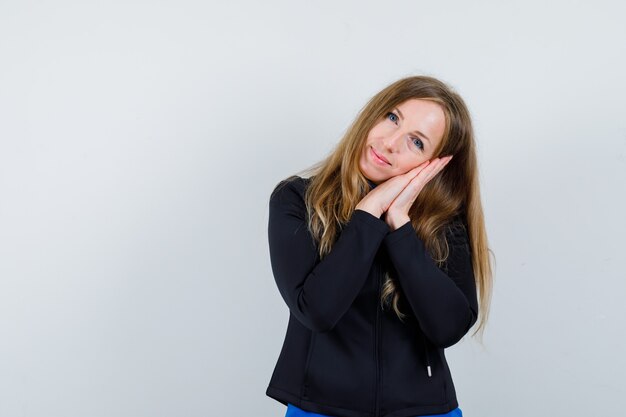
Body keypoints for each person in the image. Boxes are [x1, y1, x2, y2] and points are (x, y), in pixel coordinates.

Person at [265, 75, 494, 417]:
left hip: (425, 410)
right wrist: (368, 214)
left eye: (416, 142)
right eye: (392, 118)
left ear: (435, 166)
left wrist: (400, 224)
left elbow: (448, 328)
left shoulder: (444, 224)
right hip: (319, 407)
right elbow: (316, 310)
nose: (390, 143)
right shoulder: (297, 200)